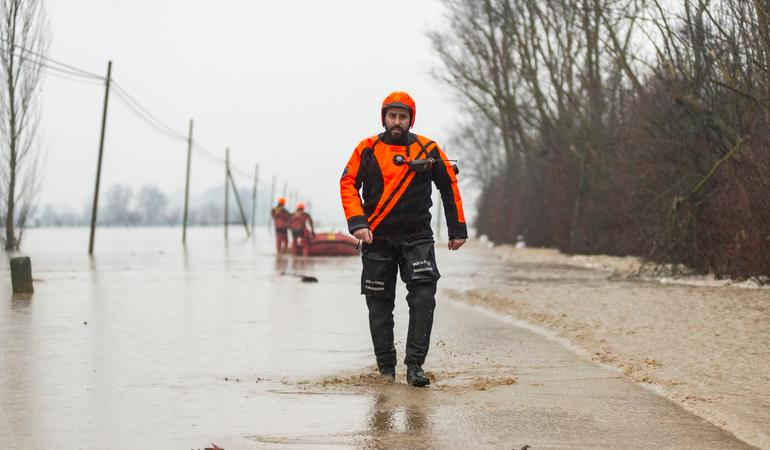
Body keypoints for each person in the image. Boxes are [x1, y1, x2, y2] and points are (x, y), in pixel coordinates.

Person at [340, 91, 467, 387]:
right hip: (377, 238)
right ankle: (385, 370)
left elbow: (449, 185)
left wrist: (457, 229)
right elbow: (347, 183)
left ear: (411, 119)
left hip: (417, 238)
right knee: (379, 305)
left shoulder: (428, 148)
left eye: (402, 116)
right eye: (392, 116)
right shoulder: (367, 149)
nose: (396, 122)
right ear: (383, 118)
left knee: (424, 299)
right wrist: (357, 223)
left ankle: (415, 367)